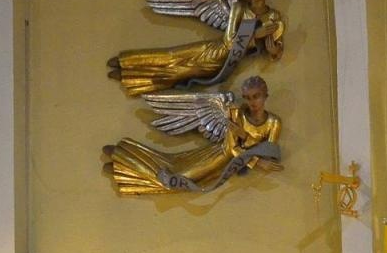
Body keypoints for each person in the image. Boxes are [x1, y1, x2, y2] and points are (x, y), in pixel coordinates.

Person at [108, 0, 285, 97]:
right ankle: (125, 61)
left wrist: (274, 52)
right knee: (171, 55)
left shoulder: (273, 16)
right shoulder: (239, 8)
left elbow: (274, 47)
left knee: (176, 74)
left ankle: (131, 79)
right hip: (215, 50)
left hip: (220, 64)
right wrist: (255, 36)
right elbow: (230, 41)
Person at [104, 75, 282, 196]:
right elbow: (232, 149)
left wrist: (247, 140)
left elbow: (267, 150)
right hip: (217, 157)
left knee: (176, 180)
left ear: (266, 95)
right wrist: (257, 161)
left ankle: (123, 169)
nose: (252, 102)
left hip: (224, 166)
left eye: (256, 96)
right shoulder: (237, 114)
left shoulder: (274, 122)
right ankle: (125, 158)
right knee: (177, 175)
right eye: (248, 97)